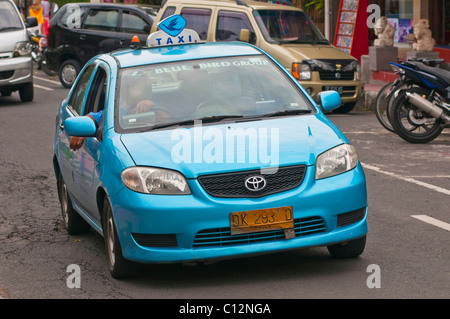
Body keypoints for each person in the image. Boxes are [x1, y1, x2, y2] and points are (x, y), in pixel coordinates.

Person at [69, 75, 161, 151]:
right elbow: (93, 118)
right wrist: (80, 130)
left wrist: (152, 107)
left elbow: (169, 121)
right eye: (131, 86)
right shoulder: (118, 111)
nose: (134, 90)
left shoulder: (156, 107)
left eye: (141, 87)